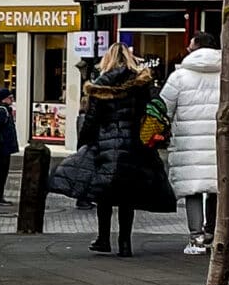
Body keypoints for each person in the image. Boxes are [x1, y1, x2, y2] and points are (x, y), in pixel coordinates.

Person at [160, 34, 229, 252]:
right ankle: (213, 234)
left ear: (194, 49)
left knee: (193, 190)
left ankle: (196, 238)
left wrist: (158, 134)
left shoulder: (179, 77)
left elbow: (163, 110)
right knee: (220, 187)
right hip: (223, 142)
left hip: (189, 145)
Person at [68, 44, 171, 255]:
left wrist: (83, 144)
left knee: (104, 194)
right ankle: (125, 244)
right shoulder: (140, 83)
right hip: (133, 144)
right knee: (127, 196)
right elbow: (153, 106)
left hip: (105, 144)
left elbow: (91, 119)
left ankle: (103, 239)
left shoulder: (99, 85)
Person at [0, 87, 21, 204]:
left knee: (1, 171)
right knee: (0, 172)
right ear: (5, 99)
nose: (12, 100)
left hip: (3, 147)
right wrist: (1, 143)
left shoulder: (3, 110)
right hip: (2, 148)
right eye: (10, 98)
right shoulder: (2, 111)